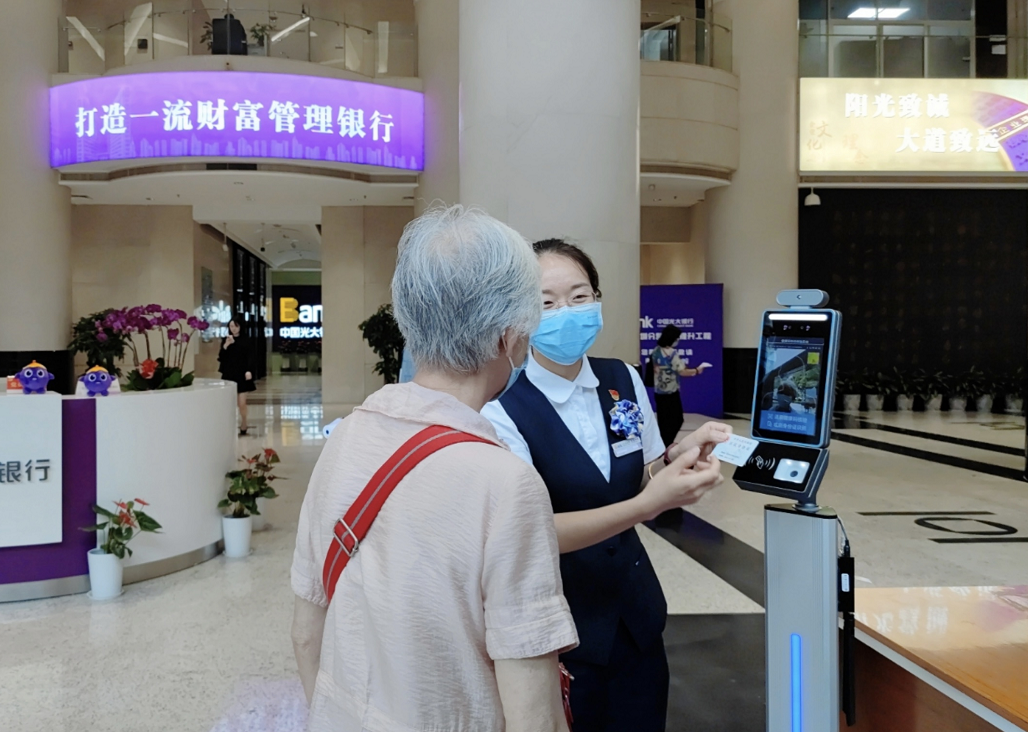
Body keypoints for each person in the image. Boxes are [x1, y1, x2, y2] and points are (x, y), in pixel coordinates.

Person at [290, 206, 579, 732]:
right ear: (508, 338)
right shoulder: (506, 483)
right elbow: (534, 715)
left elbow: (307, 632)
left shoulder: (346, 436)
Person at [482, 238, 732, 732]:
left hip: (637, 614)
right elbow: (532, 531)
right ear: (519, 315)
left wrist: (680, 456)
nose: (567, 313)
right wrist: (647, 506)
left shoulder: (622, 379)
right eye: (546, 302)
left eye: (579, 297)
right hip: (562, 626)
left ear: (597, 299)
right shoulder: (501, 410)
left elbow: (642, 473)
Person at [650, 324, 707, 447]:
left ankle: (662, 445)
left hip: (659, 391)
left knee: (663, 421)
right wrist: (697, 370)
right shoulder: (672, 354)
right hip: (671, 392)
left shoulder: (655, 351)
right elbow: (682, 371)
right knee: (677, 420)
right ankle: (667, 443)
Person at [218, 319, 255, 436]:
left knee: (242, 402)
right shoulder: (226, 339)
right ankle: (230, 424)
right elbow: (221, 357)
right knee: (229, 403)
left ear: (240, 327)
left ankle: (244, 422)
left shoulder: (246, 340)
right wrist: (226, 345)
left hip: (242, 374)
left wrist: (249, 370)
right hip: (229, 374)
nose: (233, 329)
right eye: (231, 326)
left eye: (235, 326)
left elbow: (250, 356)